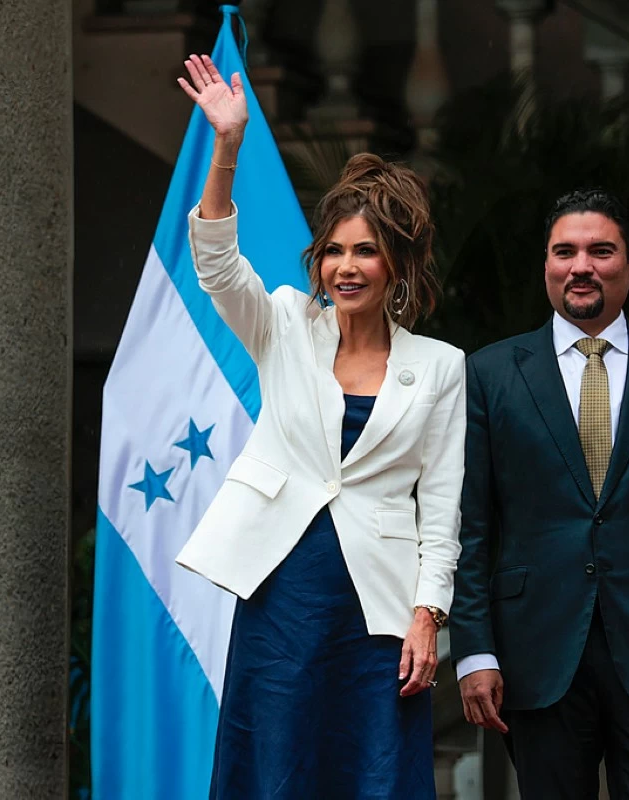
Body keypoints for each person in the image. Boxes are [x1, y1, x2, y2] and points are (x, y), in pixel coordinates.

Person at [172, 54, 465, 799]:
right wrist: (227, 147)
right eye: (333, 251)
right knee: (277, 765)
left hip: (379, 604)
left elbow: (442, 508)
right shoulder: (283, 322)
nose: (346, 266)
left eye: (365, 250)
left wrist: (428, 615)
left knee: (370, 770)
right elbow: (214, 263)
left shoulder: (440, 366)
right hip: (282, 589)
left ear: (397, 263)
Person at [449, 189, 629, 799]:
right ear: (547, 265)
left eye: (600, 251)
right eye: (565, 252)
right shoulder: (490, 373)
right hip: (536, 652)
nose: (582, 265)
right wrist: (474, 651)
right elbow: (471, 524)